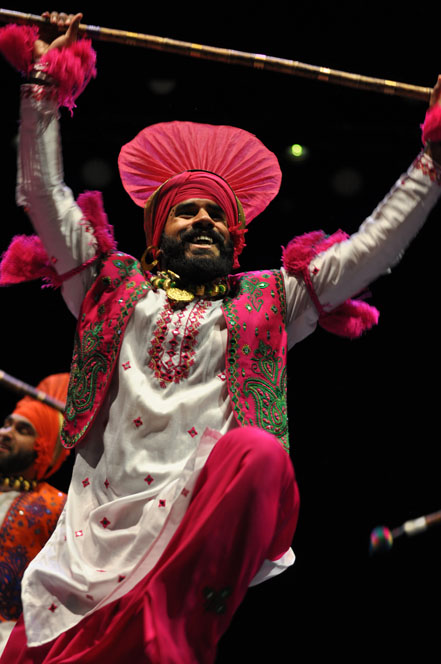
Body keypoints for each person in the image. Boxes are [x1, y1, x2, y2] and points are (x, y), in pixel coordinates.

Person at [0, 11, 441, 664]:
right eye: (187, 211)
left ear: (234, 237)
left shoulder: (267, 300)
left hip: (191, 532)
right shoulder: (104, 286)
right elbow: (41, 194)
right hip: (92, 545)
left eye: (216, 214)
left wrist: (432, 159)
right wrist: (44, 80)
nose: (203, 219)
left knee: (259, 455)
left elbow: (373, 250)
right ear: (157, 233)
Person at [0, 373, 69, 655]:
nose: (5, 432)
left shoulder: (58, 506)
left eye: (23, 430)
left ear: (43, 447)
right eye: (6, 424)